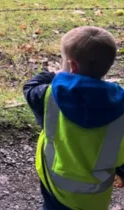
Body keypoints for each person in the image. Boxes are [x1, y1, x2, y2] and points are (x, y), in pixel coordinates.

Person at [24, 26, 124, 210]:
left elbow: (30, 87)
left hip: (57, 188)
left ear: (72, 66)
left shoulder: (48, 97)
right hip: (96, 196)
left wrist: (55, 74)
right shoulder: (121, 107)